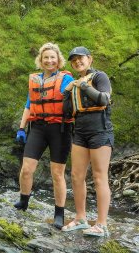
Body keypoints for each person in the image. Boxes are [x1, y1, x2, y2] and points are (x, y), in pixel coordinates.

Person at [15, 42, 74, 229]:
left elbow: (72, 92)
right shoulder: (35, 80)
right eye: (46, 57)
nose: (49, 61)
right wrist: (21, 128)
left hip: (60, 130)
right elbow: (28, 105)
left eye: (52, 58)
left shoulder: (65, 79)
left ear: (58, 61)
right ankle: (23, 201)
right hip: (38, 128)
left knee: (57, 174)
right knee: (27, 169)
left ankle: (59, 214)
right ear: (41, 60)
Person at [61, 46, 113, 237]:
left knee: (99, 177)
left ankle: (101, 224)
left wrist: (84, 86)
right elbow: (66, 111)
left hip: (100, 131)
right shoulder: (74, 84)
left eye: (80, 58)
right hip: (80, 132)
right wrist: (67, 94)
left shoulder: (100, 77)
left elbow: (103, 100)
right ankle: (81, 218)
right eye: (73, 60)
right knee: (76, 176)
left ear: (89, 59)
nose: (77, 62)